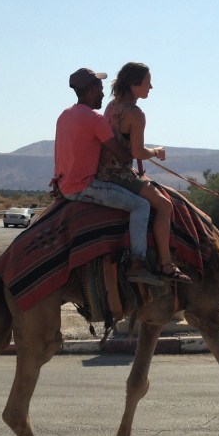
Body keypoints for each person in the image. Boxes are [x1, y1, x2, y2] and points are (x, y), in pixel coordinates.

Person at [54, 67, 163, 285]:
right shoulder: (95, 119)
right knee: (141, 206)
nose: (104, 94)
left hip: (64, 184)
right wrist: (145, 149)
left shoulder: (65, 115)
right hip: (85, 187)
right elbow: (123, 156)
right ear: (92, 90)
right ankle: (137, 264)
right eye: (101, 89)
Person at [99, 62, 191, 283]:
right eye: (148, 83)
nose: (151, 87)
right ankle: (165, 264)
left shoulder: (112, 106)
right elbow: (138, 152)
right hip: (119, 175)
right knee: (165, 205)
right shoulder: (135, 114)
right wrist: (156, 151)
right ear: (134, 84)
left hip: (102, 172)